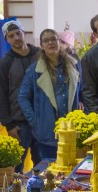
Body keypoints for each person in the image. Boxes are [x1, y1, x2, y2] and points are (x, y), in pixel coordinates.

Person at [18, 28, 81, 164]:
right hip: (47, 130)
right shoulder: (34, 70)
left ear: (59, 41)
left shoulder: (74, 65)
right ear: (41, 46)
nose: (50, 43)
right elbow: (23, 97)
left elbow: (83, 89)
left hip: (70, 127)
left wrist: (82, 105)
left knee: (70, 167)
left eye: (53, 39)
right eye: (46, 41)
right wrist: (35, 120)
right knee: (50, 169)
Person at [0, 20, 39, 173]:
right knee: (17, 166)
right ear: (7, 39)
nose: (16, 38)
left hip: (41, 118)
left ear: (24, 33)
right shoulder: (5, 63)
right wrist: (9, 124)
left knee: (43, 163)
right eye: (11, 36)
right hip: (19, 123)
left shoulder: (41, 55)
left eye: (18, 34)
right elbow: (0, 94)